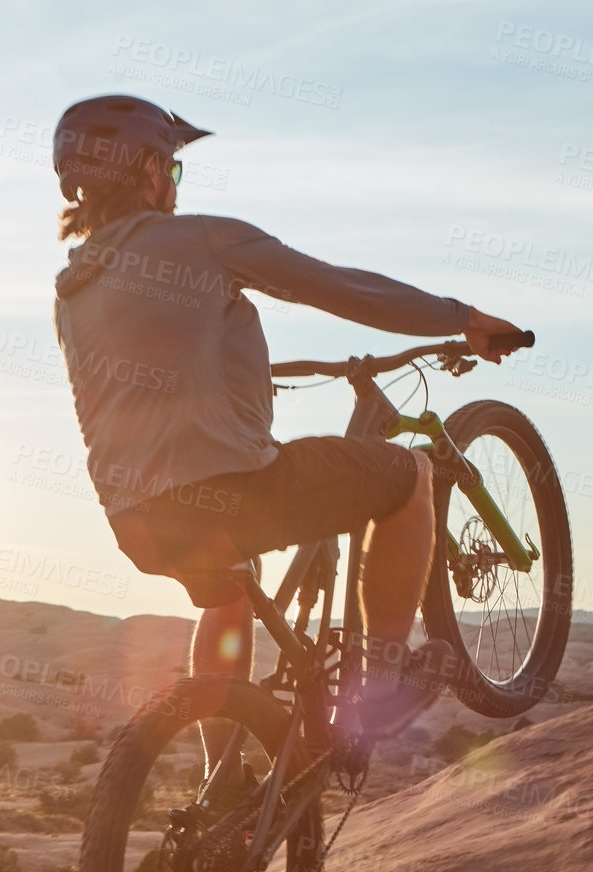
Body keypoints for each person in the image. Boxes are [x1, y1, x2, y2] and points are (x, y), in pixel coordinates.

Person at [49, 94, 524, 769]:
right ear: (147, 170)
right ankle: (379, 688)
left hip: (138, 521)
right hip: (237, 487)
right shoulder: (204, 239)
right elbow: (334, 287)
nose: (176, 186)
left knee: (230, 586)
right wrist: (460, 318)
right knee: (410, 474)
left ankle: (228, 784)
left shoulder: (73, 289)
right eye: (172, 169)